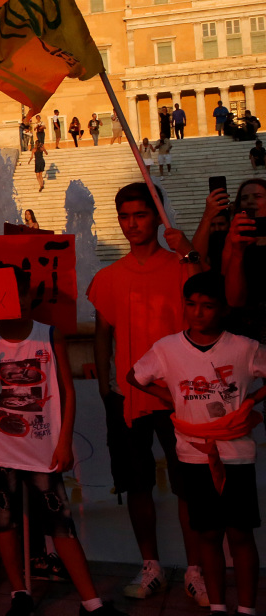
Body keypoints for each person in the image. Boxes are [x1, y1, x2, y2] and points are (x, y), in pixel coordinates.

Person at [0, 268, 127, 616]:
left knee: (60, 523)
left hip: (42, 450)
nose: (15, 302)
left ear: (29, 295)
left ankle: (92, 602)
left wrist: (64, 440)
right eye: (6, 294)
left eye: (20, 293)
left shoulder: (48, 334)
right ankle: (19, 593)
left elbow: (67, 390)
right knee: (4, 523)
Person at [87, 183, 207, 606]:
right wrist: (104, 384)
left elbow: (207, 295)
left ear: (156, 217)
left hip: (178, 397)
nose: (132, 224)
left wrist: (188, 249)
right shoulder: (107, 277)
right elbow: (103, 332)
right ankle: (151, 564)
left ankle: (196, 569)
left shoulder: (179, 267)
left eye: (140, 215)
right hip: (127, 395)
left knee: (188, 486)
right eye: (125, 216)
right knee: (136, 485)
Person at [128, 272, 266, 616]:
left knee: (240, 535)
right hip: (192, 454)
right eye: (191, 304)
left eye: (207, 306)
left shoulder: (243, 347)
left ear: (222, 309)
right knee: (207, 534)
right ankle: (218, 607)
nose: (198, 312)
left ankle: (247, 609)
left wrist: (250, 402)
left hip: (236, 454)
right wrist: (173, 396)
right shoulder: (167, 348)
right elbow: (135, 376)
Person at [225, 180, 266, 344]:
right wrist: (237, 251)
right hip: (247, 332)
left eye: (257, 196)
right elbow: (233, 299)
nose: (249, 201)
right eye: (244, 198)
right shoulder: (232, 241)